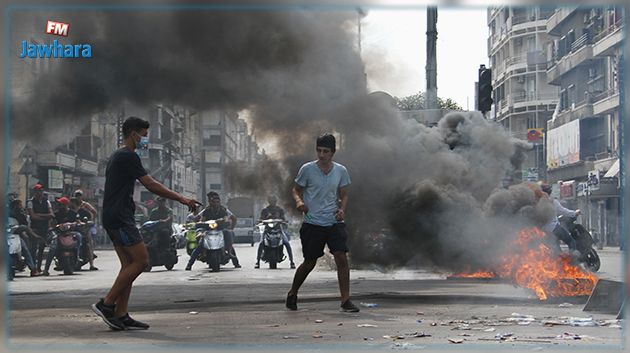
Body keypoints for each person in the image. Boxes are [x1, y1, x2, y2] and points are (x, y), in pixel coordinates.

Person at [91, 116, 200, 331]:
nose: (145, 140)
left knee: (128, 266)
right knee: (141, 261)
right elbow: (150, 184)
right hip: (120, 219)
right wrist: (182, 198)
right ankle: (106, 304)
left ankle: (121, 314)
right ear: (134, 134)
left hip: (116, 216)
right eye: (144, 135)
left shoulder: (117, 156)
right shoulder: (127, 156)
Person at [286, 133, 359, 313]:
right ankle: (293, 292)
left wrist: (342, 209)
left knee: (341, 257)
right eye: (319, 150)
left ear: (333, 152)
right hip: (313, 223)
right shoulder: (307, 169)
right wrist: (299, 202)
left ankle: (345, 300)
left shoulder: (341, 171)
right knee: (310, 262)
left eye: (325, 151)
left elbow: (344, 194)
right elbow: (296, 189)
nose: (321, 155)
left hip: (333, 221)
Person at [186, 191, 240, 270]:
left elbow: (227, 218)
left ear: (219, 202)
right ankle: (190, 264)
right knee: (200, 244)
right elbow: (201, 219)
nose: (215, 203)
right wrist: (199, 222)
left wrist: (225, 222)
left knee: (228, 236)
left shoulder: (223, 209)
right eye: (213, 201)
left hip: (220, 229)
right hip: (207, 230)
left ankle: (234, 260)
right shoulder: (206, 210)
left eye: (217, 202)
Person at [255, 195, 295, 269]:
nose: (272, 202)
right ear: (269, 201)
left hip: (278, 230)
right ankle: (257, 262)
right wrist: (261, 221)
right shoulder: (265, 210)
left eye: (274, 201)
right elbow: (261, 219)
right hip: (267, 230)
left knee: (286, 243)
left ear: (276, 201)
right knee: (261, 243)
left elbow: (283, 219)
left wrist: (284, 221)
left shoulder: (279, 210)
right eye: (271, 201)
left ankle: (291, 262)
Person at [540, 182, 580, 254]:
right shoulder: (552, 201)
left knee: (557, 251)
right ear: (549, 191)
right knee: (571, 241)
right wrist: (575, 213)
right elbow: (563, 211)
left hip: (542, 231)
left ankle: (561, 262)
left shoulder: (536, 203)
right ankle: (573, 260)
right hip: (554, 228)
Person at [9, 199, 43, 277]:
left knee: (25, 249)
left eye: (20, 205)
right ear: (14, 206)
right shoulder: (7, 214)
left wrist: (28, 234)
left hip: (17, 235)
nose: (20, 207)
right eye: (19, 205)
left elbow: (25, 227)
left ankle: (33, 269)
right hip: (6, 235)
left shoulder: (21, 216)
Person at [26, 183, 55, 271]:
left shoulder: (47, 201)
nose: (40, 193)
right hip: (35, 228)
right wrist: (45, 216)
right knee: (33, 248)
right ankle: (33, 268)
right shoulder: (30, 202)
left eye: (41, 191)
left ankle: (39, 267)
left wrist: (39, 215)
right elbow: (33, 216)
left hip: (45, 228)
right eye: (38, 191)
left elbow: (51, 215)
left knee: (42, 248)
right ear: (35, 192)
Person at [70, 197, 98, 271]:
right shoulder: (69, 212)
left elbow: (90, 218)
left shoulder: (84, 211)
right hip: (69, 232)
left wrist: (86, 224)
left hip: (82, 231)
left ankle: (91, 265)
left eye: (72, 203)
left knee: (88, 244)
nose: (70, 205)